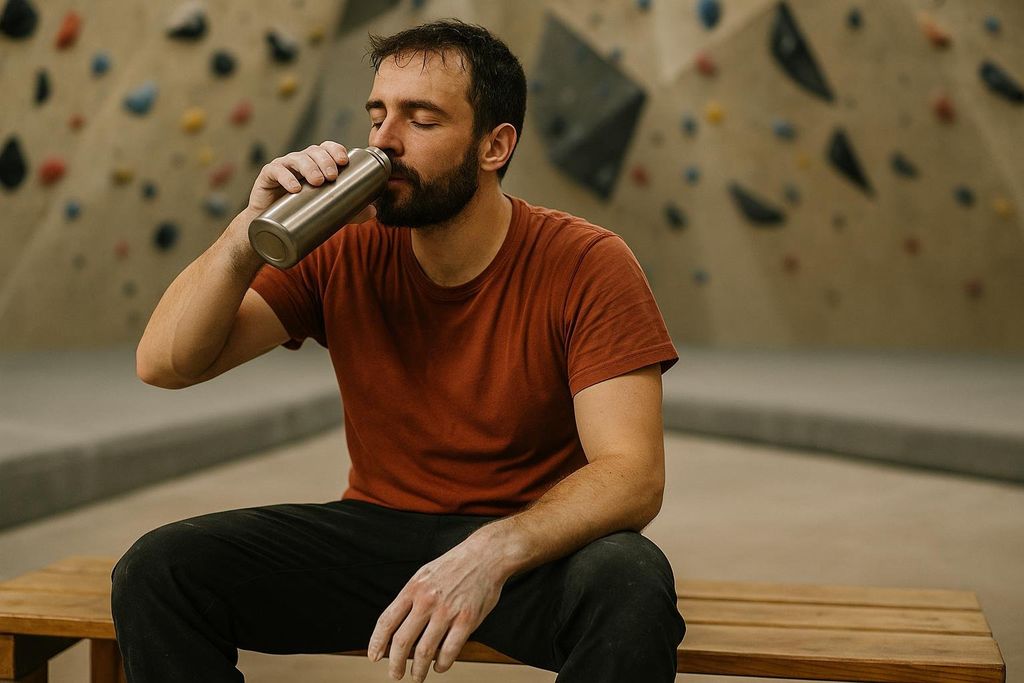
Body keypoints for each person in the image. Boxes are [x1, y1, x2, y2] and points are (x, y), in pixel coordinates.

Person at [112, 18, 685, 683]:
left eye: (421, 119)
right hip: (375, 532)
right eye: (377, 114)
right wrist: (248, 231)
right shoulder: (343, 243)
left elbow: (633, 474)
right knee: (160, 569)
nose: (382, 143)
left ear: (494, 145)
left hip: (526, 548)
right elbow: (166, 363)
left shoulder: (588, 261)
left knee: (631, 580)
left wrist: (494, 549)